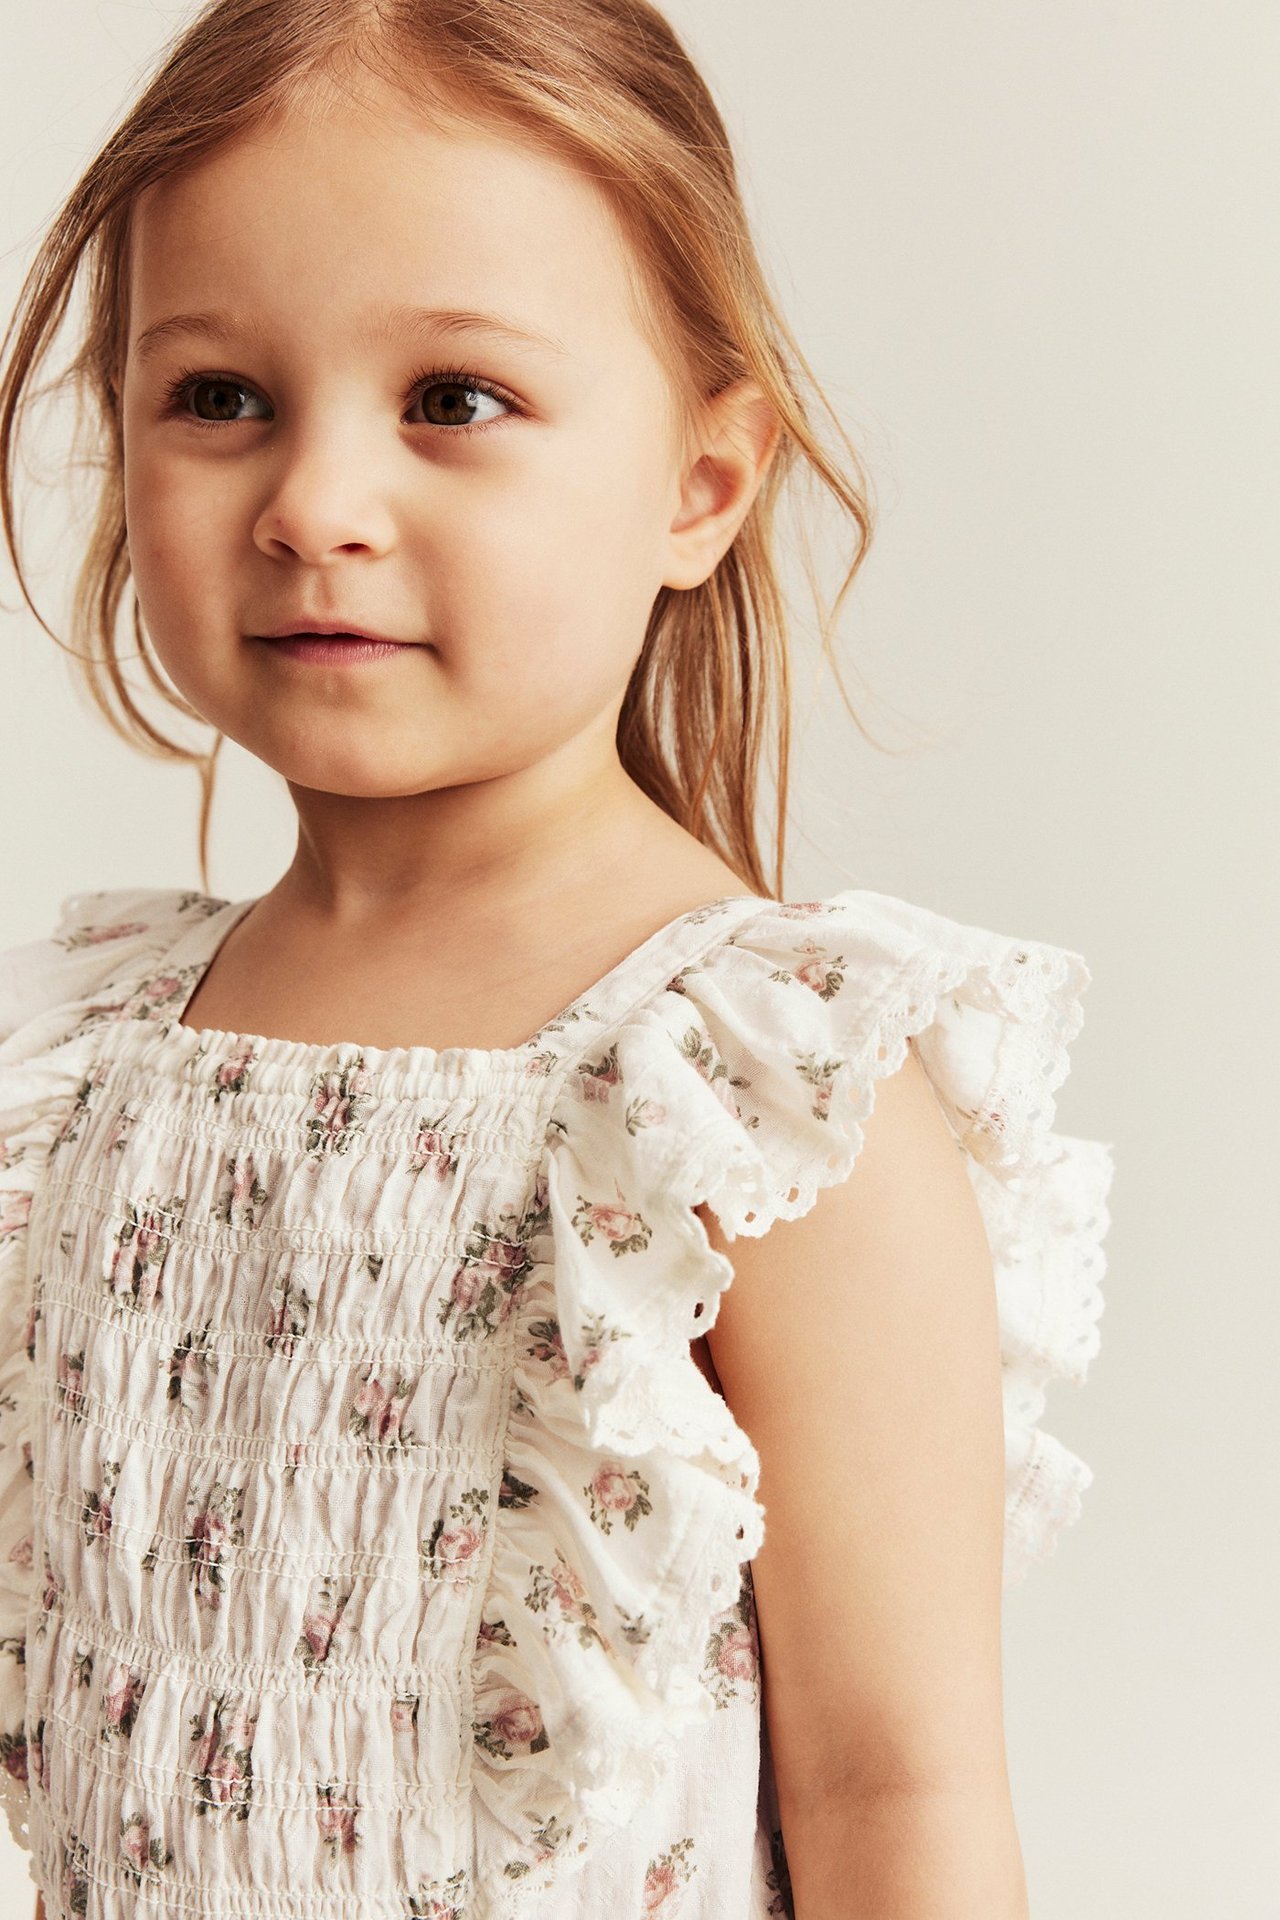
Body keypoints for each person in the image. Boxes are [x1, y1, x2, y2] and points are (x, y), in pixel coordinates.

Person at [0, 3, 1114, 1916]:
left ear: (701, 481)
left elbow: (897, 1794)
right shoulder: (95, 1057)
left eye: (452, 399)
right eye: (219, 398)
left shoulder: (739, 1102)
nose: (313, 508)